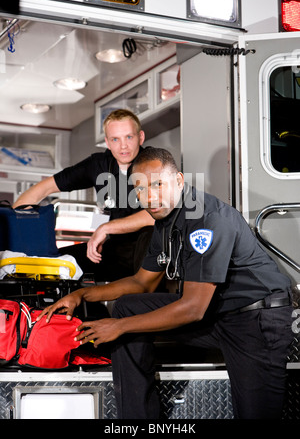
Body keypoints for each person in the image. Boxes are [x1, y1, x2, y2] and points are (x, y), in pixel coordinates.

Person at [37, 147, 293, 419]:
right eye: (140, 189)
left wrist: (118, 327)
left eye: (158, 184)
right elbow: (141, 283)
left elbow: (193, 308)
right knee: (128, 306)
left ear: (179, 181)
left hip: (256, 319)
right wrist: (82, 294)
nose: (149, 196)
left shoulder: (207, 219)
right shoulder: (164, 221)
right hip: (217, 312)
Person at [12, 109, 154, 282]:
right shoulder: (98, 165)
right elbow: (43, 189)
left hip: (149, 253)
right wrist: (16, 223)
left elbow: (154, 215)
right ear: (107, 143)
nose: (123, 146)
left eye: (129, 137)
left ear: (141, 137)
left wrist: (105, 229)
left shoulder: (155, 163)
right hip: (113, 251)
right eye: (115, 139)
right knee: (53, 265)